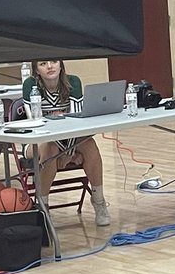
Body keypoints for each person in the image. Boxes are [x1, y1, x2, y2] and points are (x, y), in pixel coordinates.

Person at [21, 60, 110, 227]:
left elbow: (76, 124)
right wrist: (68, 153)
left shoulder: (73, 82)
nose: (49, 66)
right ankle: (42, 206)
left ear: (61, 65)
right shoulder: (30, 85)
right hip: (34, 141)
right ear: (36, 70)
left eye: (54, 62)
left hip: (68, 141)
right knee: (50, 146)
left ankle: (99, 200)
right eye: (43, 64)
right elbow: (37, 124)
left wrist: (67, 153)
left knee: (89, 144)